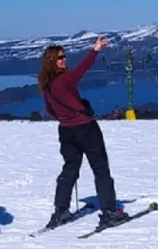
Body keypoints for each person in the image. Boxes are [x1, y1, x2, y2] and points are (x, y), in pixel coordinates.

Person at [38, 36, 128, 230]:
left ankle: (60, 211)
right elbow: (82, 70)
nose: (64, 60)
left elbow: (51, 110)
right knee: (101, 169)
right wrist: (95, 50)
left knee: (70, 169)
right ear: (52, 61)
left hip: (66, 131)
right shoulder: (63, 80)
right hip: (86, 129)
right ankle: (110, 212)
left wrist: (67, 117)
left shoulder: (47, 85)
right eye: (60, 57)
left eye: (64, 56)